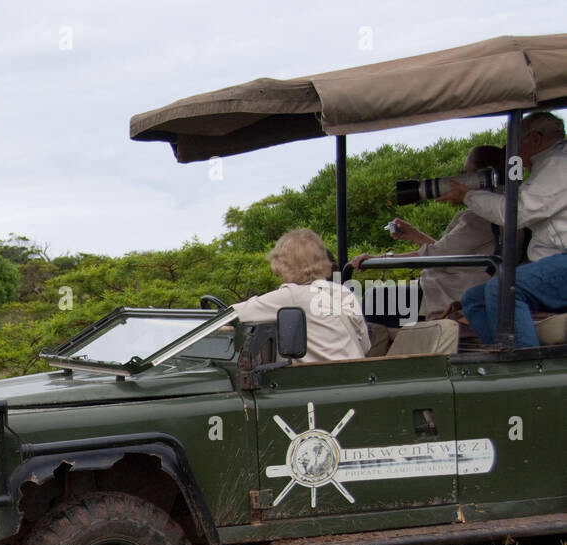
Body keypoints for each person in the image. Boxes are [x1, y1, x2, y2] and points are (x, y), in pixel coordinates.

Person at [444, 111, 567, 348]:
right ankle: (501, 357)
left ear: (535, 139)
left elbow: (515, 212)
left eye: (515, 143)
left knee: (503, 289)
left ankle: (525, 371)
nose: (514, 152)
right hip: (556, 260)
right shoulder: (548, 165)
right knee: (474, 299)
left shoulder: (557, 165)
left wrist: (468, 195)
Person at [351, 145, 506, 321]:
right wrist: (416, 236)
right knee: (383, 299)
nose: (460, 181)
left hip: (449, 292)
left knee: (376, 298)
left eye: (465, 174)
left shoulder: (482, 216)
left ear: (482, 176)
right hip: (460, 286)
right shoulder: (500, 208)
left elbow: (438, 255)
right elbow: (448, 253)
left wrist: (376, 259)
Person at [231, 229, 370, 363]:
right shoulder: (343, 292)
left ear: (284, 264)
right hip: (355, 377)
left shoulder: (291, 296)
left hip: (315, 381)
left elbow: (232, 316)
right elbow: (365, 346)